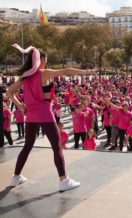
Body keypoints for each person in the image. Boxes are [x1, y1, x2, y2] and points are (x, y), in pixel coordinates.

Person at [6, 44, 96, 191]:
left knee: (27, 146)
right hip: (44, 113)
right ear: (41, 59)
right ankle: (63, 180)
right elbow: (66, 71)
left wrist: (21, 106)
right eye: (45, 58)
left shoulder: (25, 76)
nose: (46, 61)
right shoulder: (43, 73)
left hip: (31, 115)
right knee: (56, 146)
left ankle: (16, 177)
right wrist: (87, 71)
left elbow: (9, 92)